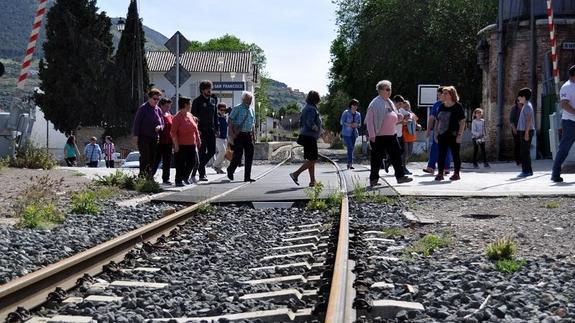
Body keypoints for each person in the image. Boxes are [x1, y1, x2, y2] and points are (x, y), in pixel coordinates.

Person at [364, 80, 412, 186]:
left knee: (396, 155)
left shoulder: (389, 102)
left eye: (390, 89)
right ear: (380, 90)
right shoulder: (374, 103)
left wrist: (400, 117)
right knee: (376, 158)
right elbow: (369, 120)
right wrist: (372, 135)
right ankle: (373, 179)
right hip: (378, 136)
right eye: (387, 89)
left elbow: (395, 114)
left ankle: (400, 176)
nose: (389, 91)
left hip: (391, 135)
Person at [289, 90, 323, 187]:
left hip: (307, 136)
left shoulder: (306, 107)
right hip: (310, 136)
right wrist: (316, 128)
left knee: (311, 159)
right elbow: (309, 122)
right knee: (313, 160)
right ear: (315, 99)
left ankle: (313, 181)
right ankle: (295, 174)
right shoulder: (311, 109)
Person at [434, 86, 466, 181]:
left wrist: (460, 135)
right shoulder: (441, 106)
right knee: (441, 154)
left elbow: (463, 121)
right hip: (442, 134)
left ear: (451, 95)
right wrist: (436, 132)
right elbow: (437, 120)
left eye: (445, 93)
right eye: (443, 93)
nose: (443, 95)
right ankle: (440, 173)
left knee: (455, 154)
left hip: (454, 134)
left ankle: (456, 173)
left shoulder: (457, 106)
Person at [132, 88, 164, 179]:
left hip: (154, 138)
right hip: (143, 137)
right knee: (145, 157)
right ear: (149, 98)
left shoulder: (158, 110)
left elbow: (162, 122)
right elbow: (137, 122)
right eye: (154, 99)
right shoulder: (143, 108)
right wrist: (136, 136)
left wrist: (160, 127)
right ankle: (142, 176)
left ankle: (149, 177)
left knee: (152, 158)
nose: (156, 101)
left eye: (158, 99)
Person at [552, 65, 575, 182]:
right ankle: (555, 174)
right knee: (564, 149)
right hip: (570, 122)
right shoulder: (567, 87)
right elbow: (564, 104)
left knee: (564, 148)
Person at [192, 80, 219, 182]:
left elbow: (215, 114)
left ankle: (199, 165)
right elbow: (193, 117)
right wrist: (197, 130)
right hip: (201, 130)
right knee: (202, 152)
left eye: (210, 89)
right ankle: (202, 174)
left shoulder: (213, 99)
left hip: (211, 130)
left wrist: (217, 128)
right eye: (207, 89)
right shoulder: (197, 101)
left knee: (212, 151)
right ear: (202, 90)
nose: (209, 91)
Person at [171, 96, 201, 187]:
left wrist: (198, 139)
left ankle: (185, 176)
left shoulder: (190, 115)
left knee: (192, 162)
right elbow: (173, 132)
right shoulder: (177, 117)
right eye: (190, 104)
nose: (191, 105)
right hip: (181, 144)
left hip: (191, 144)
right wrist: (176, 145)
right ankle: (178, 180)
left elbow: (195, 129)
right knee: (180, 163)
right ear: (185, 105)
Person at [227, 91, 256, 182]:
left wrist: (254, 135)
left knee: (249, 156)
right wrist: (232, 134)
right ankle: (230, 169)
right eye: (248, 99)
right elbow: (230, 120)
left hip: (248, 135)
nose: (250, 101)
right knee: (238, 155)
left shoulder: (251, 110)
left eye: (251, 99)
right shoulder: (237, 108)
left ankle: (247, 177)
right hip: (239, 135)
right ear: (243, 99)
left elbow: (253, 124)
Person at [424, 87, 452, 175]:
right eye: (438, 95)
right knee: (435, 148)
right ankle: (431, 167)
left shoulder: (452, 104)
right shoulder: (436, 105)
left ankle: (446, 168)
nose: (439, 96)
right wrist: (428, 130)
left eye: (440, 94)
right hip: (438, 130)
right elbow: (432, 118)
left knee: (447, 148)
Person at [152, 98, 174, 184]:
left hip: (168, 141)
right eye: (166, 106)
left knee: (167, 161)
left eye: (169, 106)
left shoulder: (169, 114)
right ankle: (150, 176)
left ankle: (166, 178)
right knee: (156, 160)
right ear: (161, 105)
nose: (168, 108)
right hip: (159, 142)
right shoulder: (158, 113)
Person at [516, 87, 535, 178]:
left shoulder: (527, 106)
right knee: (525, 152)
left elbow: (528, 119)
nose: (518, 98)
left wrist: (526, 133)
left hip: (526, 131)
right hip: (525, 131)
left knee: (524, 152)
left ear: (523, 97)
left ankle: (526, 171)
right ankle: (528, 171)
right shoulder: (526, 105)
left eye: (519, 96)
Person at [340, 99, 361, 169]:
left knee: (351, 149)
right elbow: (342, 122)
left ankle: (349, 164)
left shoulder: (358, 114)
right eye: (354, 105)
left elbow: (360, 124)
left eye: (356, 105)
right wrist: (349, 124)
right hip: (346, 133)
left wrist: (357, 125)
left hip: (354, 133)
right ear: (351, 105)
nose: (355, 106)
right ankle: (350, 163)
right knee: (350, 147)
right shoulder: (346, 113)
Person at [401, 100, 419, 174]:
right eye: (405, 106)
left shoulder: (412, 114)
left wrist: (418, 126)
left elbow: (415, 123)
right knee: (405, 152)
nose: (406, 107)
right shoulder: (401, 114)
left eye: (408, 106)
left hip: (411, 135)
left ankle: (401, 165)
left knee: (409, 153)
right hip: (404, 135)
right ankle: (403, 168)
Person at [213, 102, 229, 174]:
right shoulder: (216, 117)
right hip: (218, 137)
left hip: (224, 137)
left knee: (224, 152)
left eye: (224, 110)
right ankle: (215, 165)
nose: (223, 111)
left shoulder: (225, 117)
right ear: (218, 110)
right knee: (222, 150)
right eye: (221, 109)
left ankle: (219, 167)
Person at [509, 99, 523, 166]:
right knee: (517, 144)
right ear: (517, 102)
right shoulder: (514, 108)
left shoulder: (524, 107)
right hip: (516, 129)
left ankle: (522, 159)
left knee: (522, 145)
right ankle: (518, 160)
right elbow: (511, 120)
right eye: (519, 101)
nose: (520, 102)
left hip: (523, 129)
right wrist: (514, 129)